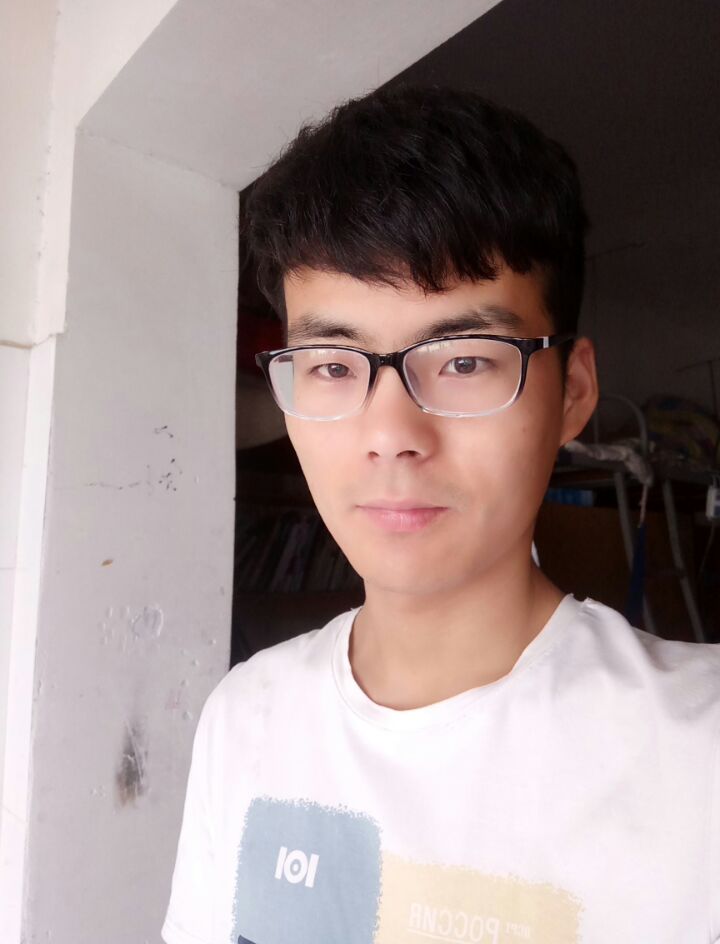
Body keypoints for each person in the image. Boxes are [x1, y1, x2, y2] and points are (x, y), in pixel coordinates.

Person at [162, 86, 720, 944]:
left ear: (573, 393)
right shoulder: (247, 720)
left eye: (463, 361)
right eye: (333, 365)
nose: (391, 434)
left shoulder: (696, 755)